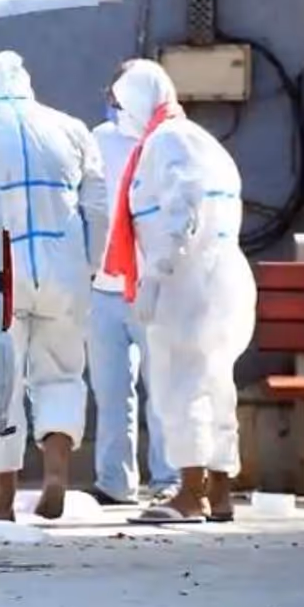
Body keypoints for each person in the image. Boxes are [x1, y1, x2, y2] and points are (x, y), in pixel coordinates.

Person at [105, 60, 256, 525]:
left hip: (187, 280)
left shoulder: (167, 142)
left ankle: (191, 494)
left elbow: (182, 206)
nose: (116, 113)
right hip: (221, 275)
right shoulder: (202, 141)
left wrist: (159, 271)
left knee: (180, 383)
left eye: (118, 102)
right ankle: (220, 490)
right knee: (215, 383)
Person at [0, 51, 107, 522]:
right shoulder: (70, 127)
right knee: (62, 374)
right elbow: (99, 206)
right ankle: (55, 477)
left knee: (0, 384)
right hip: (64, 269)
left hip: (1, 271)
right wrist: (90, 265)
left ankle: (3, 499)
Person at [88, 62, 180, 506]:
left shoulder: (169, 143)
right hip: (104, 285)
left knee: (162, 388)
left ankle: (170, 479)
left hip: (155, 286)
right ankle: (113, 482)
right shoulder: (97, 139)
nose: (114, 103)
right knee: (109, 392)